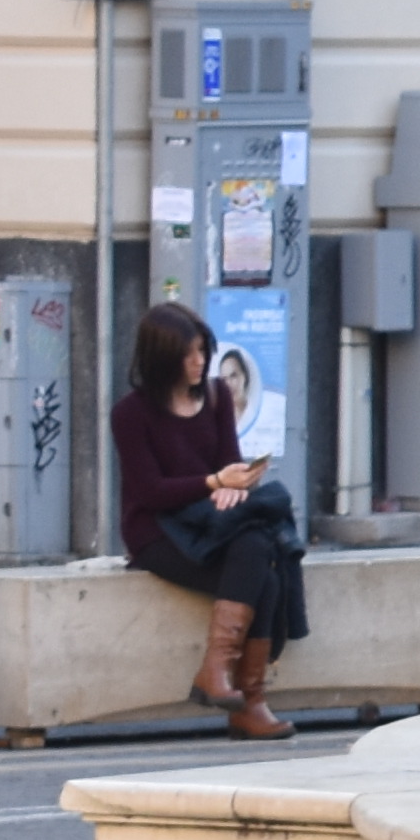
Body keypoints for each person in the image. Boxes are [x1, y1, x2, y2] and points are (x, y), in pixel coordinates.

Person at [113, 300, 309, 739]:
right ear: (161, 359)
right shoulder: (130, 413)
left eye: (203, 350)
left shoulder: (218, 397)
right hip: (157, 531)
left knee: (259, 550)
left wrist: (235, 483)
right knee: (264, 571)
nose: (200, 362)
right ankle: (245, 701)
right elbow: (148, 491)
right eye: (188, 354)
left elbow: (227, 466)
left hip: (211, 523)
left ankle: (224, 682)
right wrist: (212, 481)